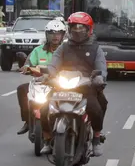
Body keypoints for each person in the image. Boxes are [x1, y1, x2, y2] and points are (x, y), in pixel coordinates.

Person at [40, 12, 108, 156]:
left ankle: (96, 138)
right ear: (69, 30)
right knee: (45, 108)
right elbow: (53, 64)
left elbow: (101, 67)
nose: (77, 31)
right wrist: (48, 74)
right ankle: (47, 139)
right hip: (62, 85)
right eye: (74, 28)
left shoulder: (96, 49)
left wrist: (99, 78)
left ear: (89, 30)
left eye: (81, 29)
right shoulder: (63, 47)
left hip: (86, 87)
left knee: (96, 108)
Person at [16, 20, 66, 135]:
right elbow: (28, 63)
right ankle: (28, 121)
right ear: (46, 35)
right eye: (52, 33)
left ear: (63, 35)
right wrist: (26, 67)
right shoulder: (38, 50)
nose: (55, 36)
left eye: (58, 33)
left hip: (60, 84)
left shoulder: (67, 50)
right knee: (22, 89)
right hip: (41, 83)